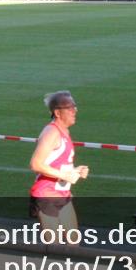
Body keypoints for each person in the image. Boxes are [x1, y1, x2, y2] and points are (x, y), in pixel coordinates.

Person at [29, 90, 89, 244]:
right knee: (55, 246)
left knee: (73, 241)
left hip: (62, 193)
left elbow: (57, 162)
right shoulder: (51, 132)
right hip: (46, 195)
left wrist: (75, 170)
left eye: (74, 107)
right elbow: (35, 164)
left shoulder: (64, 131)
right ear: (57, 112)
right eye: (69, 108)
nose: (75, 111)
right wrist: (64, 176)